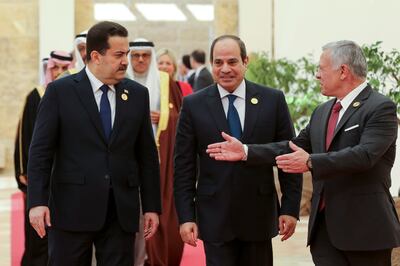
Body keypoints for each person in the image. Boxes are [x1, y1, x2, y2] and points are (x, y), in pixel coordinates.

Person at [206, 40, 400, 266]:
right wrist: (246, 151)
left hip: (365, 229)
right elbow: (291, 146)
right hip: (324, 231)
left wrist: (310, 162)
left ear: (343, 71)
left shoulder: (380, 107)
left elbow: (364, 155)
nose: (317, 75)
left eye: (321, 69)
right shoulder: (323, 111)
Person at [27, 21, 161, 266]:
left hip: (120, 210)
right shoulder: (59, 92)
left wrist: (151, 206)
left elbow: (147, 156)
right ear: (96, 56)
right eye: (119, 55)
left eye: (127, 54)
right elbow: (40, 152)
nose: (125, 61)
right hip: (71, 207)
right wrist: (36, 201)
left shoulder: (137, 95)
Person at [174, 35, 302, 266]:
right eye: (218, 62)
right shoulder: (194, 105)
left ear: (245, 61)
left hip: (258, 216)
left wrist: (290, 208)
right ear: (211, 64)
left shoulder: (272, 100)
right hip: (214, 217)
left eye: (232, 62)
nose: (225, 69)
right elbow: (183, 166)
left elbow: (288, 155)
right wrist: (185, 216)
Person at [14, 51, 73, 266]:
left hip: (65, 174)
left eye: (64, 69)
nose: (59, 72)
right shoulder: (36, 95)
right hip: (40, 173)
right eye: (54, 68)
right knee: (37, 230)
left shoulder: (74, 94)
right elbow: (24, 136)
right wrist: (23, 170)